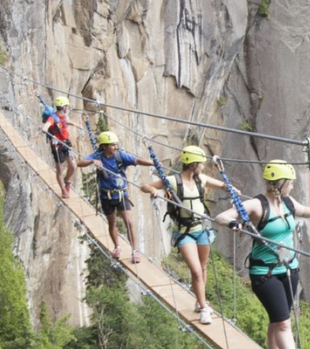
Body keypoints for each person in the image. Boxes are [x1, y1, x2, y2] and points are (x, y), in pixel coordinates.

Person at [215, 160, 310, 349]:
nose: (292, 187)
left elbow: (303, 210)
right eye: (290, 183)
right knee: (284, 323)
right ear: (280, 183)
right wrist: (235, 223)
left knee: (278, 319)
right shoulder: (257, 205)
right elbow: (222, 217)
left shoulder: (287, 202)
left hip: (289, 270)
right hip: (264, 274)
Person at [140, 146, 230, 325]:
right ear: (194, 164)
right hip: (184, 233)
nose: (203, 167)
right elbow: (145, 185)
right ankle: (204, 309)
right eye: (201, 164)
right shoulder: (172, 181)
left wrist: (233, 189)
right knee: (196, 271)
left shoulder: (201, 180)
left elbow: (222, 185)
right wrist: (151, 190)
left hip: (202, 229)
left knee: (203, 268)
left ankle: (199, 302)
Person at [75, 131, 153, 262]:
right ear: (104, 146)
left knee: (129, 222)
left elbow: (137, 160)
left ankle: (135, 251)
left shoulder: (120, 156)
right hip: (106, 196)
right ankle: (117, 247)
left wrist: (153, 163)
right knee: (112, 222)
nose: (115, 147)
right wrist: (92, 161)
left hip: (121, 195)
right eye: (112, 145)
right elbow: (79, 163)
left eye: (116, 144)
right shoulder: (97, 156)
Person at [41, 96, 78, 199]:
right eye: (67, 106)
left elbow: (64, 122)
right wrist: (45, 128)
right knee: (60, 170)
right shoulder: (52, 117)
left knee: (73, 166)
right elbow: (47, 124)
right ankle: (63, 190)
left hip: (66, 143)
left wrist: (74, 124)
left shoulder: (62, 116)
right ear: (63, 107)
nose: (68, 108)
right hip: (57, 145)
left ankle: (68, 181)